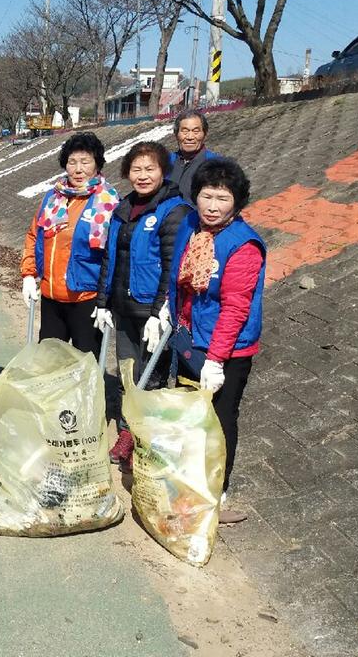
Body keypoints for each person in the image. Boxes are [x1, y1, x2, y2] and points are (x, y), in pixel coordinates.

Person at [169, 158, 265, 524]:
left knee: (220, 420)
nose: (212, 206)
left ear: (237, 203)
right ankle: (189, 484)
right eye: (207, 196)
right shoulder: (193, 228)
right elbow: (178, 277)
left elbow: (235, 308)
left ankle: (216, 493)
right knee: (191, 418)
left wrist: (216, 360)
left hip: (227, 349)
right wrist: (169, 312)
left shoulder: (243, 245)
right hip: (192, 337)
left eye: (222, 199)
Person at [95, 140, 191, 469]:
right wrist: (104, 302)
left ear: (163, 171)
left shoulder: (174, 210)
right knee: (127, 375)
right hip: (124, 309)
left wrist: (160, 310)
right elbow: (111, 258)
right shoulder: (123, 209)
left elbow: (172, 264)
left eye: (150, 169)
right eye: (136, 169)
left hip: (152, 312)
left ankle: (146, 441)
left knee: (151, 379)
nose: (143, 175)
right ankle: (126, 434)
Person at [20, 132, 120, 355]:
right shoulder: (53, 198)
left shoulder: (109, 202)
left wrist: (107, 301)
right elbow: (34, 236)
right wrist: (28, 274)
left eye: (85, 162)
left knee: (86, 364)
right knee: (50, 362)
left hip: (86, 298)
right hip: (52, 297)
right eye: (72, 162)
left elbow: (113, 254)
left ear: (97, 164)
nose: (78, 169)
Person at [169, 110, 218, 199]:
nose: (190, 137)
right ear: (176, 135)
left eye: (196, 131)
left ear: (205, 135)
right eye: (185, 131)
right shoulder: (165, 162)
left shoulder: (216, 165)